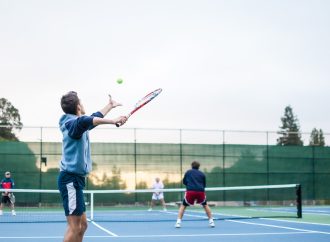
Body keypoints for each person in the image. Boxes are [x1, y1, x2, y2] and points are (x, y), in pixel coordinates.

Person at [58, 91, 127, 242]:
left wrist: (109, 106)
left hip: (76, 180)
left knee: (83, 225)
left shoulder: (78, 124)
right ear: (78, 107)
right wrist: (113, 120)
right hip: (70, 180)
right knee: (74, 227)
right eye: (81, 102)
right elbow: (86, 120)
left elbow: (92, 118)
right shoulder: (71, 123)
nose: (83, 105)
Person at [175, 161, 215, 228]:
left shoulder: (188, 172)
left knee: (183, 206)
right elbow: (204, 185)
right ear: (198, 167)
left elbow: (184, 182)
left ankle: (178, 223)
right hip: (200, 191)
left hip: (190, 191)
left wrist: (190, 185)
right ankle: (211, 222)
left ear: (191, 166)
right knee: (205, 205)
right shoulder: (202, 174)